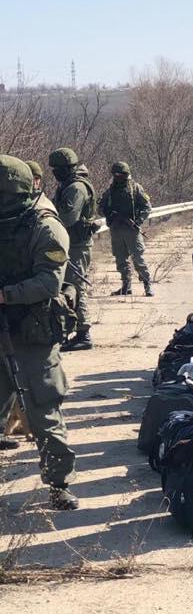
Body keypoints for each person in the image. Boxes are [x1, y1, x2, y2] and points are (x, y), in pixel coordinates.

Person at [0, 155, 79, 509]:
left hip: (32, 329)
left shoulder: (44, 225)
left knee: (42, 407)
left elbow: (49, 281)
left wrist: (5, 295)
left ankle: (59, 482)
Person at [50, 149, 98, 351]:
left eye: (57, 169)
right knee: (69, 286)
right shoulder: (68, 185)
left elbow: (68, 217)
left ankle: (83, 332)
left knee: (75, 287)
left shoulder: (76, 188)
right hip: (72, 243)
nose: (54, 173)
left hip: (77, 244)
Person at [98, 162, 153, 297]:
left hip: (131, 230)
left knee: (138, 259)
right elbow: (100, 208)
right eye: (116, 174)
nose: (118, 177)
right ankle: (126, 286)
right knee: (121, 259)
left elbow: (147, 207)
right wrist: (109, 214)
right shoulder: (110, 191)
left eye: (121, 174)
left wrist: (138, 221)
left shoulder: (135, 188)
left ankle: (147, 285)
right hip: (116, 229)